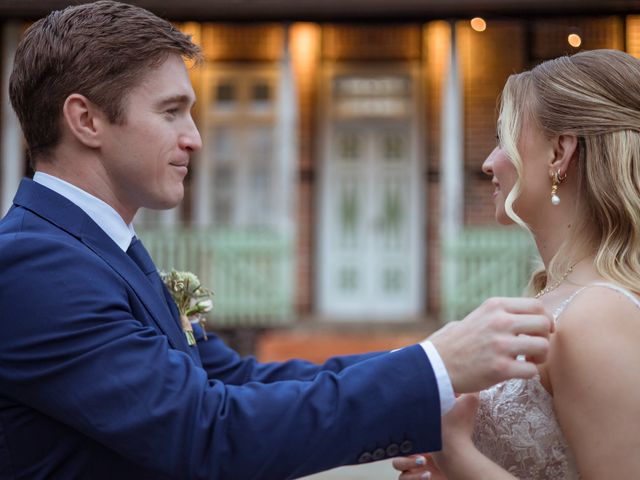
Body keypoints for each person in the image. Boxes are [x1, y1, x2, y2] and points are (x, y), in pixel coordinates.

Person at [0, 2, 554, 479]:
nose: (193, 138)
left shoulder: (94, 249)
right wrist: (433, 366)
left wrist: (431, 368)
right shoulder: (36, 264)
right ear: (86, 120)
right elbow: (208, 435)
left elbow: (241, 380)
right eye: (171, 112)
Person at [393, 48, 640, 480]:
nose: (489, 162)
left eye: (505, 138)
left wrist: (453, 450)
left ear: (558, 153)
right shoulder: (559, 298)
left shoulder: (597, 316)